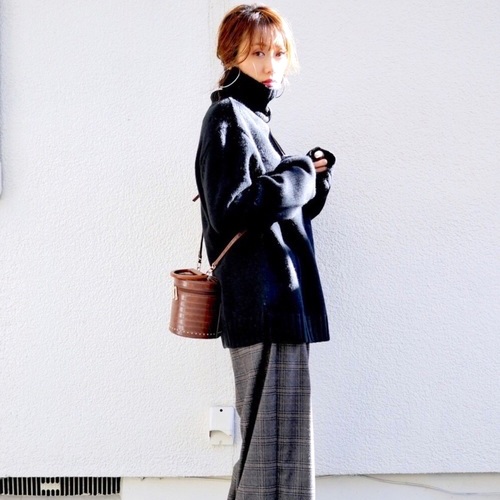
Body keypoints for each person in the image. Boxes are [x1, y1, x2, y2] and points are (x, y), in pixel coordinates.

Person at [195, 4, 335, 499]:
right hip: (264, 306)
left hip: (279, 304)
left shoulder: (254, 118)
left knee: (273, 456)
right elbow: (229, 209)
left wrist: (312, 181)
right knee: (274, 462)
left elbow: (276, 211)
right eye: (257, 53)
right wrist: (297, 173)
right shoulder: (227, 116)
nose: (270, 65)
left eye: (278, 53)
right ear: (231, 56)